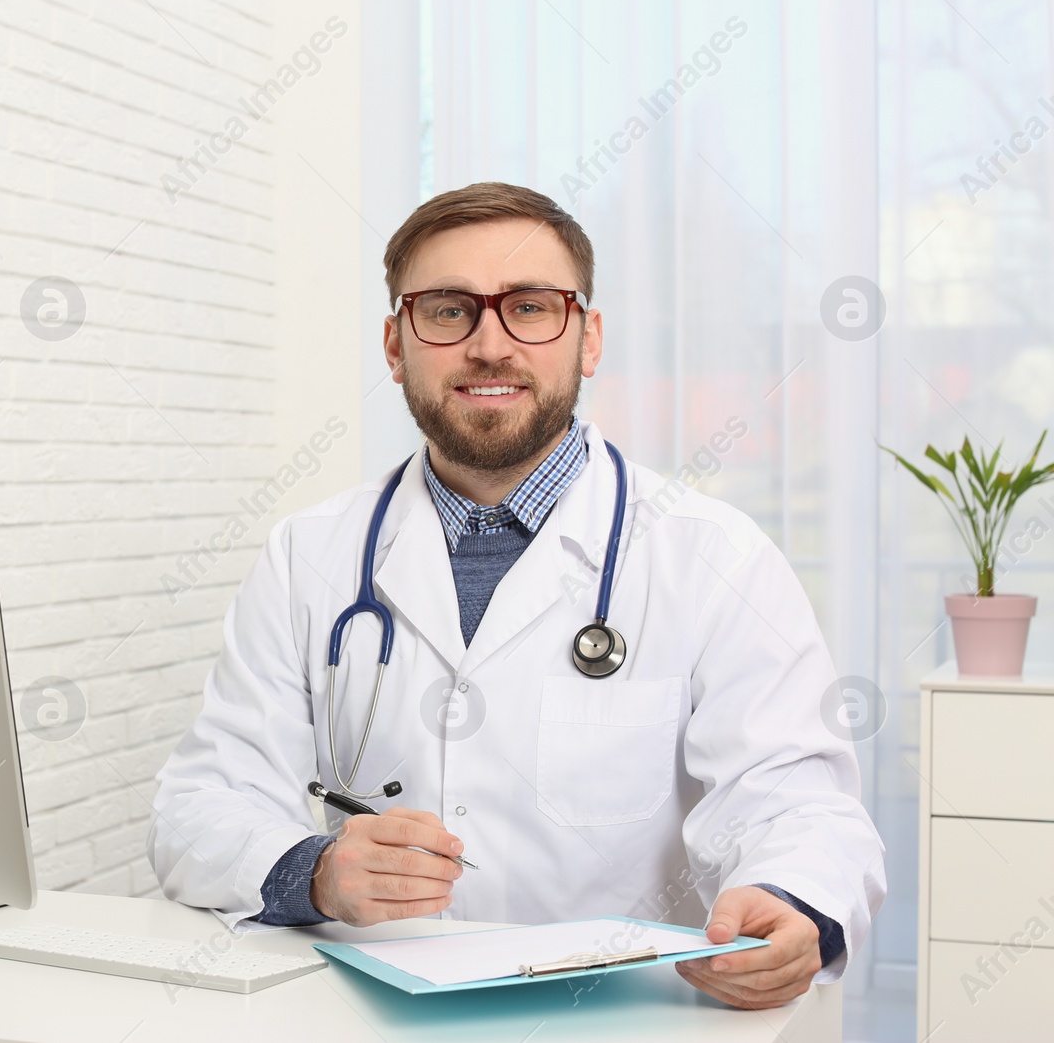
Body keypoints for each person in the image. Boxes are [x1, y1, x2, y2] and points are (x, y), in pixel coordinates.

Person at [145, 182, 885, 1010]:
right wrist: (309, 871)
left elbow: (796, 797)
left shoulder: (714, 556)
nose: (490, 345)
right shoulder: (307, 556)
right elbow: (200, 805)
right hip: (366, 1017)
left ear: (588, 337)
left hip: (616, 1020)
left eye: (530, 307)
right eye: (449, 309)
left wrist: (793, 903)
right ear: (395, 345)